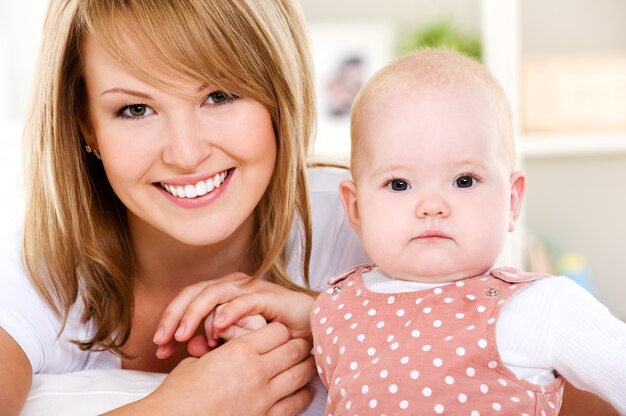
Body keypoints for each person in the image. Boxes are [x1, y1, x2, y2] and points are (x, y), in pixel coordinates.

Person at [0, 0, 370, 415]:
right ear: (87, 125)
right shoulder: (29, 260)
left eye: (220, 95)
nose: (186, 153)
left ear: (279, 96)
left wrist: (336, 320)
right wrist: (184, 407)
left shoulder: (369, 224)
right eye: (136, 109)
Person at [310, 49, 626, 415]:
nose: (431, 206)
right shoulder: (334, 309)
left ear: (511, 201)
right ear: (355, 208)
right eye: (398, 184)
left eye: (464, 180)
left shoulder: (541, 307)